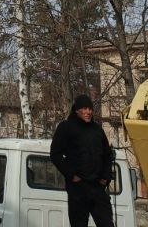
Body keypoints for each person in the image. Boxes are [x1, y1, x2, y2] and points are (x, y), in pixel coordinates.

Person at [50, 93, 114, 227]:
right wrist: (72, 176)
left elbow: (108, 155)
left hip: (97, 188)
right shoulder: (66, 127)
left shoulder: (97, 130)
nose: (88, 112)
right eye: (84, 109)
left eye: (90, 109)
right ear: (77, 110)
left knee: (107, 224)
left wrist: (105, 178)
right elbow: (55, 154)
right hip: (78, 188)